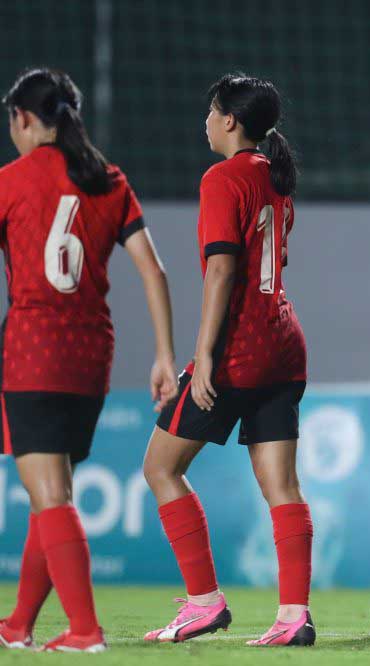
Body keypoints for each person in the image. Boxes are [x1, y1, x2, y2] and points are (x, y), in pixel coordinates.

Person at [0, 67, 177, 652]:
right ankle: (19, 625)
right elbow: (153, 270)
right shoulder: (109, 181)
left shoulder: (11, 180)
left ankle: (84, 630)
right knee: (53, 492)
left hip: (32, 351)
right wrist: (163, 354)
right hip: (90, 355)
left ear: (24, 119)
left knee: (49, 495)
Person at [142, 74, 315, 648]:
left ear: (231, 121)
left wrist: (204, 356)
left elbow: (221, 270)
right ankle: (293, 617)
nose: (207, 121)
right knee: (282, 486)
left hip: (240, 350)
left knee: (161, 469)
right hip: (284, 347)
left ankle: (204, 603)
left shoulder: (221, 177)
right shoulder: (276, 176)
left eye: (212, 111)